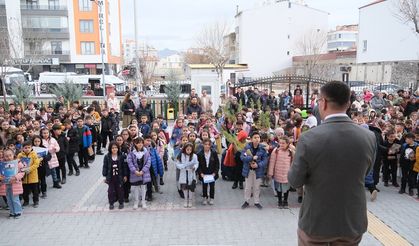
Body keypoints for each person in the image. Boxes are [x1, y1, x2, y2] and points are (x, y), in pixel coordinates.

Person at [288, 81, 376, 245]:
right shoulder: (368, 136)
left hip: (316, 222)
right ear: (348, 104)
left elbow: (295, 181)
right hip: (352, 220)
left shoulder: (309, 138)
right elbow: (365, 171)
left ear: (324, 102)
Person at [240, 131, 268, 210]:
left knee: (257, 187)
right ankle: (246, 201)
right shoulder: (247, 147)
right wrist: (251, 158)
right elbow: (242, 158)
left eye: (258, 137)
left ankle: (256, 202)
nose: (257, 139)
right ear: (251, 139)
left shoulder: (262, 148)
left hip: (258, 171)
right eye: (255, 138)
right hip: (248, 171)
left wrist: (258, 165)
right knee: (248, 187)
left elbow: (265, 160)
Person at [268, 136, 295, 209]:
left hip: (287, 174)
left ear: (287, 144)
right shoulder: (276, 151)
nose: (281, 145)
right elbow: (272, 162)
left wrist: (293, 173)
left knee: (286, 188)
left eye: (283, 143)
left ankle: (285, 201)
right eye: (280, 143)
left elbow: (293, 163)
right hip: (278, 173)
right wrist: (270, 173)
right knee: (278, 188)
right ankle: (279, 201)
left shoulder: (291, 152)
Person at [102, 141, 128, 210]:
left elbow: (124, 166)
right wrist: (105, 175)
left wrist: (125, 175)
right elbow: (105, 166)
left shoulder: (121, 156)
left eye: (116, 147)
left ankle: (121, 202)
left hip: (119, 177)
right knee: (111, 191)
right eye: (113, 148)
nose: (114, 149)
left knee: (120, 190)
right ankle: (111, 203)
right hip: (111, 177)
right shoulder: (107, 156)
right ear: (110, 149)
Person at [127, 137, 151, 210]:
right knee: (136, 188)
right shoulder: (131, 153)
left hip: (144, 173)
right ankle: (136, 201)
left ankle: (143, 201)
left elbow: (148, 163)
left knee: (143, 188)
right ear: (135, 144)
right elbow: (130, 163)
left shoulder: (146, 152)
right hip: (135, 173)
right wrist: (135, 171)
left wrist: (143, 171)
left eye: (141, 142)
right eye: (138, 143)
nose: (140, 144)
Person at [0, 149, 25, 218]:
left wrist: (16, 177)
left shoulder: (17, 162)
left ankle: (17, 212)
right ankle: (12, 212)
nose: (8, 157)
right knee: (9, 198)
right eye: (6, 156)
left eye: (10, 155)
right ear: (4, 156)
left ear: (13, 155)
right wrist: (1, 177)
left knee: (15, 199)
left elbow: (22, 171)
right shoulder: (2, 164)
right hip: (7, 184)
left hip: (15, 184)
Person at [18, 141, 41, 207]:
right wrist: (22, 169)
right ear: (22, 148)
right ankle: (26, 201)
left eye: (29, 147)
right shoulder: (20, 155)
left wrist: (29, 169)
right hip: (24, 177)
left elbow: (36, 164)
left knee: (35, 190)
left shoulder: (34, 154)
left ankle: (36, 201)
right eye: (25, 148)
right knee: (25, 191)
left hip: (33, 177)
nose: (27, 149)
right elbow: (17, 163)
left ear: (31, 148)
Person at [197, 139, 219, 205]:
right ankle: (205, 197)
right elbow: (198, 165)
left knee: (212, 186)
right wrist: (200, 173)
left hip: (212, 173)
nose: (207, 146)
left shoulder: (214, 153)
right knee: (204, 186)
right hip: (204, 173)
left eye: (208, 145)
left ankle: (211, 198)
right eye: (205, 144)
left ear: (210, 146)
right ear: (203, 145)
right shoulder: (200, 154)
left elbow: (217, 164)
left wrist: (215, 172)